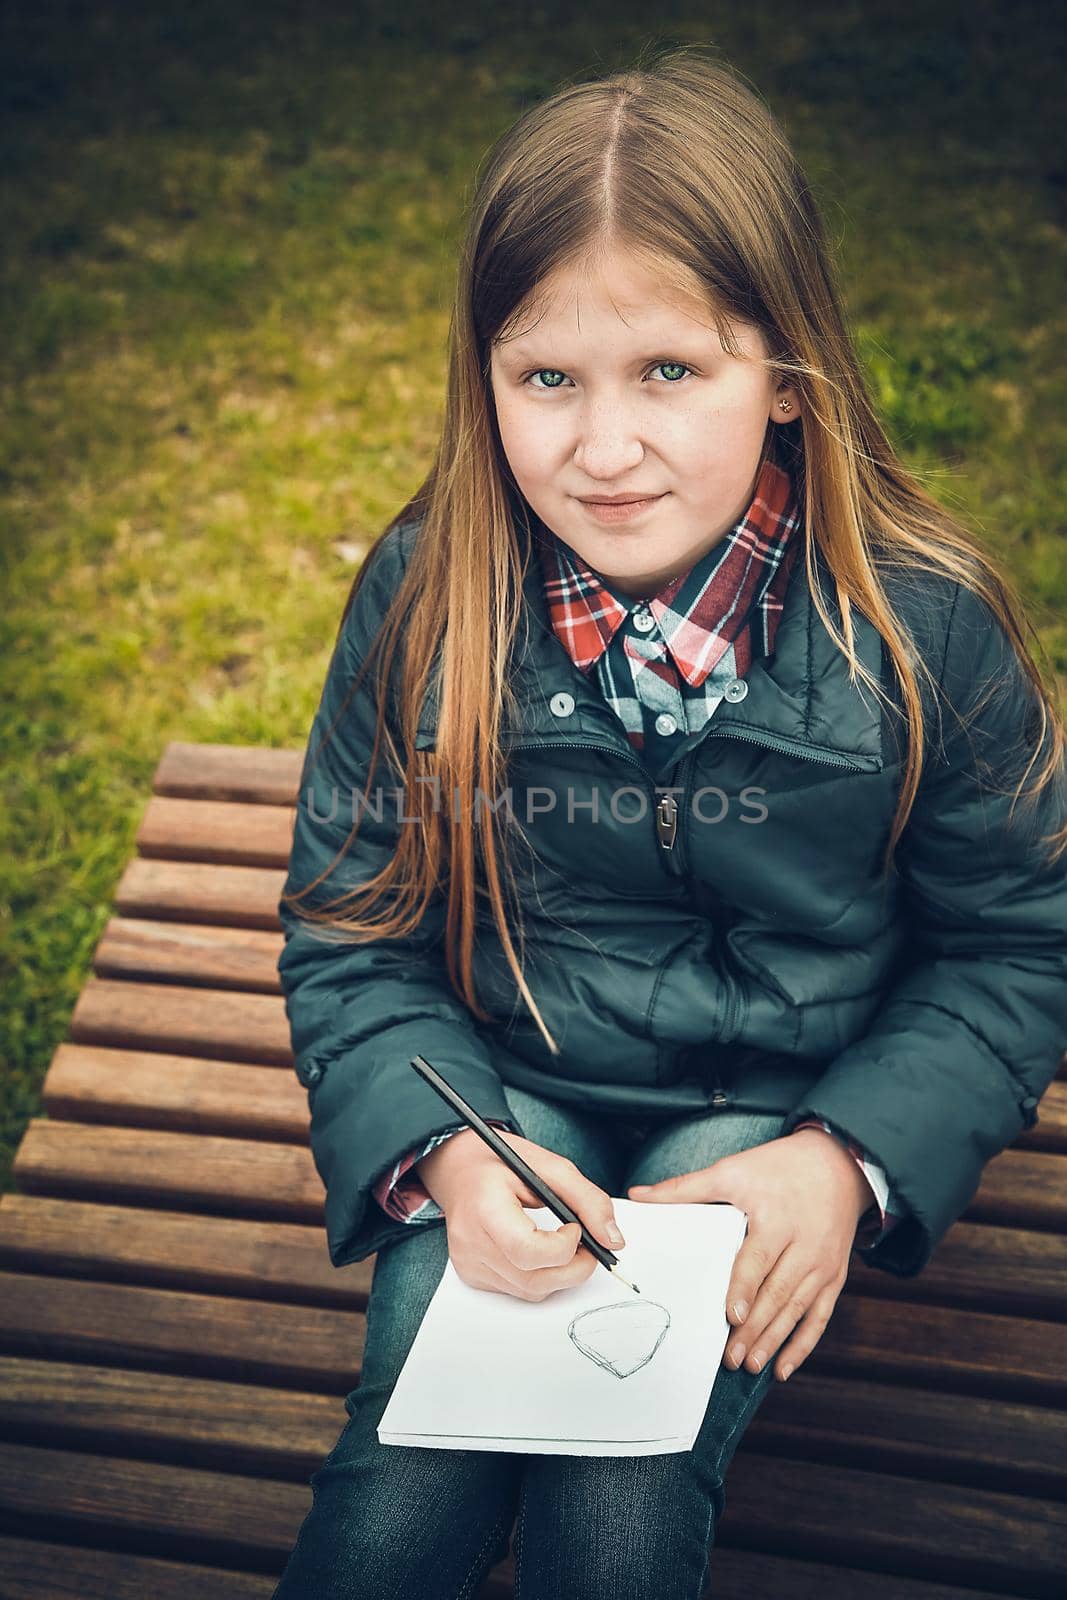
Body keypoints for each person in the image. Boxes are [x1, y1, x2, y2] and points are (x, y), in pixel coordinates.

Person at [270, 44, 1067, 1600]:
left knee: (620, 1505)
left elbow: (1019, 947)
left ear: (785, 373)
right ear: (482, 377)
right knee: (402, 1478)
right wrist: (439, 1154)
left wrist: (846, 1159)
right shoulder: (428, 598)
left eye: (670, 374)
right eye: (546, 378)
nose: (605, 446)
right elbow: (350, 926)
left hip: (775, 1117)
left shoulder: (924, 626)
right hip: (504, 1102)